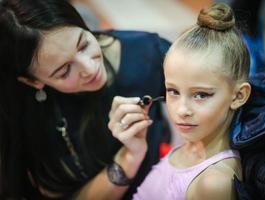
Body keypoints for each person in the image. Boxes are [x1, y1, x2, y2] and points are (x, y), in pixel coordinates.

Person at [0, 0, 171, 199]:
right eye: (64, 71)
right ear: (33, 81)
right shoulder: (20, 115)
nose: (90, 69)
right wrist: (129, 158)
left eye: (84, 44)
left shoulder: (147, 53)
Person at [133, 3, 252, 199]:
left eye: (201, 95)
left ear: (239, 96)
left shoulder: (212, 184)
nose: (182, 110)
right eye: (173, 91)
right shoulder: (193, 142)